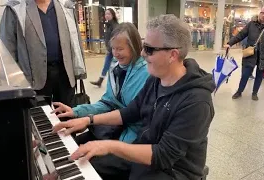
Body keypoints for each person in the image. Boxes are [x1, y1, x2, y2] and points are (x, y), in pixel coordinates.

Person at [53, 14, 215, 180]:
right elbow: (129, 112)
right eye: (144, 47)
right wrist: (87, 119)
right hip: (146, 152)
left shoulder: (197, 101)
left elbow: (163, 155)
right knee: (84, 165)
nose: (142, 54)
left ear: (172, 55)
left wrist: (110, 146)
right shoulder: (156, 79)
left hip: (174, 171)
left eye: (149, 49)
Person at [52, 22, 149, 144]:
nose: (115, 53)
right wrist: (76, 111)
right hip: (113, 129)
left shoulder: (146, 72)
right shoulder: (115, 67)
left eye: (120, 49)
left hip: (132, 136)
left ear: (134, 47)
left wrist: (89, 120)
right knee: (70, 143)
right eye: (113, 48)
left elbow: (131, 114)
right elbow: (108, 103)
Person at [0, 0, 86, 107]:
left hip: (65, 75)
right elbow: (7, 49)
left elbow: (76, 40)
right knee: (39, 117)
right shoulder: (15, 8)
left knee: (68, 117)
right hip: (32, 79)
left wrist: (79, 70)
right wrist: (15, 82)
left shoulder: (65, 6)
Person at [225, 5, 264, 101]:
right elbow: (241, 34)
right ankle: (239, 91)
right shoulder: (252, 24)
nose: (263, 16)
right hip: (250, 53)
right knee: (245, 74)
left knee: (259, 75)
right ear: (259, 13)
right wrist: (230, 43)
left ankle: (255, 93)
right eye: (262, 13)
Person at [90, 8, 119, 87]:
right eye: (106, 14)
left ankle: (115, 82)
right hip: (110, 50)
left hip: (114, 50)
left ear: (113, 15)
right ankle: (101, 80)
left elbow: (115, 39)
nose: (107, 15)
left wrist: (111, 49)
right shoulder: (108, 25)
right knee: (106, 65)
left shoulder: (115, 25)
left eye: (109, 14)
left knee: (114, 66)